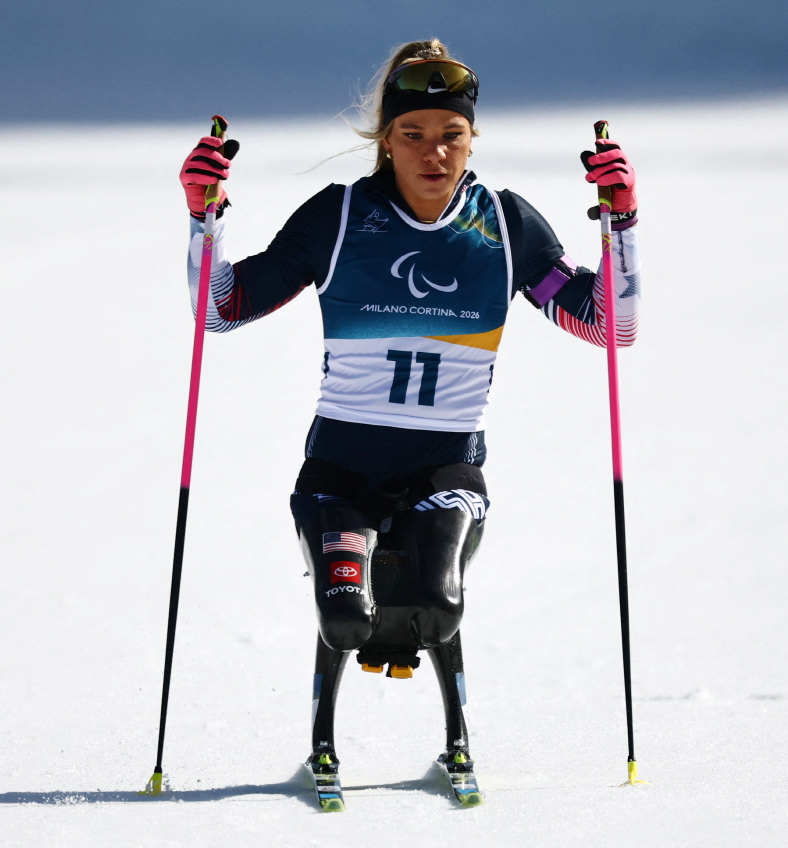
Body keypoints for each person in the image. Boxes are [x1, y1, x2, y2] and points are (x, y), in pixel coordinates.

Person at [178, 39, 640, 786]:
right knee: (345, 620)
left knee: (436, 605)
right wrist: (206, 218)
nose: (434, 153)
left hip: (445, 465)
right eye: (413, 135)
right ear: (385, 141)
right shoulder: (339, 218)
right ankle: (321, 738)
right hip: (341, 469)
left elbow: (608, 327)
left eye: (450, 135)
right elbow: (223, 309)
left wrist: (621, 226)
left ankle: (454, 737)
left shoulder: (504, 224)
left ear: (472, 139)